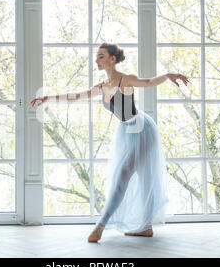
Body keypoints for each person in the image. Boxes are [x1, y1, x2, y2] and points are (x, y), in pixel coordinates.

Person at [31, 43, 189, 243]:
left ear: (112, 59)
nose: (97, 60)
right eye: (97, 57)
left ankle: (101, 225)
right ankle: (146, 227)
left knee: (134, 175)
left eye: (101, 56)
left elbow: (148, 82)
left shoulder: (126, 79)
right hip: (126, 130)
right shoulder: (102, 87)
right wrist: (48, 98)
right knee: (136, 176)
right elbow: (76, 96)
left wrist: (168, 75)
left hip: (141, 129)